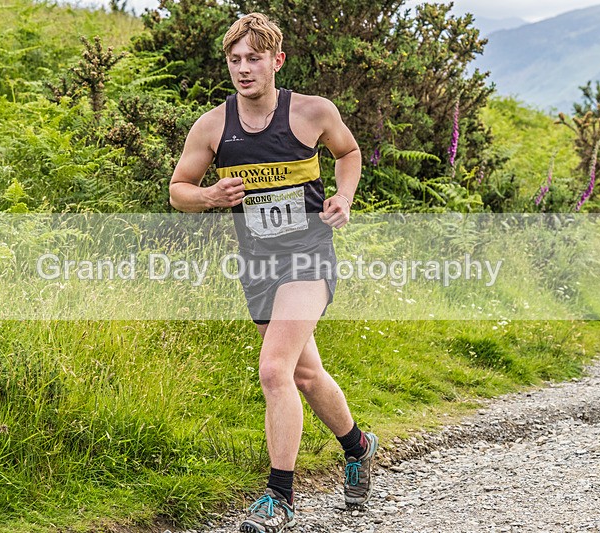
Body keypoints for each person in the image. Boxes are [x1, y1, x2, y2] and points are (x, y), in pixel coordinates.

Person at [169, 12, 378, 533]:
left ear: (276, 61)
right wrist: (210, 196)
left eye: (254, 59)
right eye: (235, 60)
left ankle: (279, 497)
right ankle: (358, 445)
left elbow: (348, 152)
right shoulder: (214, 126)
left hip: (309, 256)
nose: (243, 69)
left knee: (273, 370)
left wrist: (344, 197)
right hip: (258, 266)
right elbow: (179, 190)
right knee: (304, 373)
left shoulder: (312, 112)